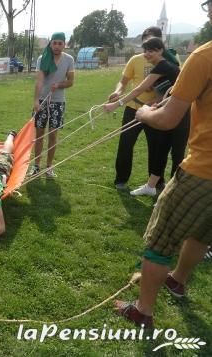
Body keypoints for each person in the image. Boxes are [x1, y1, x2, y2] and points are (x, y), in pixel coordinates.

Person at [114, 0, 212, 328]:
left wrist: (142, 112)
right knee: (202, 230)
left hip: (204, 169)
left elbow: (168, 118)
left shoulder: (202, 57)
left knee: (160, 237)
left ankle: (143, 310)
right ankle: (177, 280)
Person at [104, 37, 189, 197]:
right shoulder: (165, 65)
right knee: (161, 149)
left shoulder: (163, 65)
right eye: (145, 51)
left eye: (151, 50)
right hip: (169, 110)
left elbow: (138, 90)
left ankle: (173, 193)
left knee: (175, 152)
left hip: (179, 114)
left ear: (160, 50)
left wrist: (115, 105)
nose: (147, 54)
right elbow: (168, 91)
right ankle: (152, 187)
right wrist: (155, 103)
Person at [107, 27, 169, 190]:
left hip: (156, 110)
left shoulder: (169, 60)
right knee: (126, 145)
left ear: (160, 45)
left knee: (156, 147)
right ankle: (121, 180)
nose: (149, 48)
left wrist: (157, 101)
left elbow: (172, 86)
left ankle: (156, 182)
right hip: (133, 108)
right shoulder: (135, 59)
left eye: (153, 42)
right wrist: (118, 91)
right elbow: (124, 81)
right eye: (146, 42)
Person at [29, 32, 75, 178]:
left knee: (53, 135)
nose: (56, 46)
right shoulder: (43, 58)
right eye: (54, 43)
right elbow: (39, 81)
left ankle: (49, 167)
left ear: (64, 44)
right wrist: (36, 100)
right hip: (42, 100)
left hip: (58, 101)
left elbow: (70, 82)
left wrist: (59, 84)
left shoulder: (69, 60)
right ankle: (36, 166)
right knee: (39, 134)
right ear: (50, 43)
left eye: (60, 43)